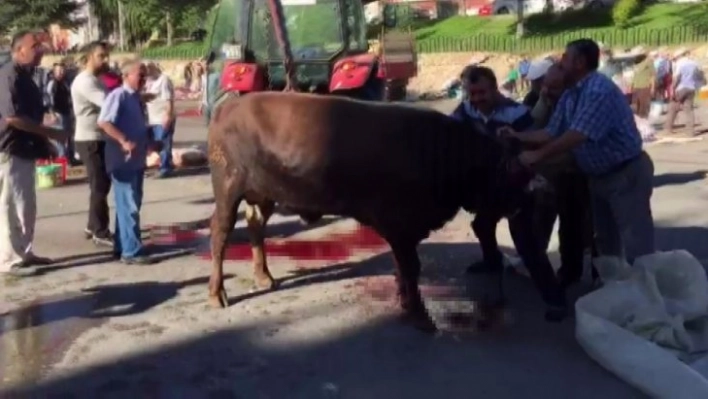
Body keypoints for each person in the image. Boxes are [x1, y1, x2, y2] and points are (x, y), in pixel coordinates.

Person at [504, 39, 655, 265]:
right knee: (606, 242)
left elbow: (577, 134)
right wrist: (517, 137)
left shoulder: (597, 90)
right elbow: (552, 131)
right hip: (598, 176)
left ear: (580, 62)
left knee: (636, 241)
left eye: (565, 57)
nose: (560, 61)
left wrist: (537, 156)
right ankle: (615, 289)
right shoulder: (572, 93)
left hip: (625, 174)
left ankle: (648, 293)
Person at [450, 65, 567, 321]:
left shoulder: (518, 114)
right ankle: (492, 263)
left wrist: (516, 144)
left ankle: (555, 299)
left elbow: (537, 146)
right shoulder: (466, 110)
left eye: (482, 92)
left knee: (526, 245)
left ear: (494, 88)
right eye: (472, 94)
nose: (477, 99)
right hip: (487, 185)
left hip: (518, 186)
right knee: (482, 224)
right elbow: (449, 131)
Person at [0, 31, 69, 277]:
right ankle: (9, 260)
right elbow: (13, 118)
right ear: (20, 50)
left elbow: (32, 115)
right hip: (10, 150)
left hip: (26, 150)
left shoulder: (28, 77)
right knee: (9, 206)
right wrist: (49, 134)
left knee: (26, 207)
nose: (41, 49)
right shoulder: (8, 75)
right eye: (34, 46)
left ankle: (25, 252)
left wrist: (44, 143)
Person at [529, 63, 596, 287]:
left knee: (594, 226)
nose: (545, 90)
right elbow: (536, 127)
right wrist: (542, 103)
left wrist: (538, 157)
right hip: (559, 173)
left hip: (585, 168)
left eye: (551, 87)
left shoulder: (580, 99)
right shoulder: (539, 99)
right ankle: (568, 271)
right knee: (567, 224)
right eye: (541, 86)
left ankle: (601, 274)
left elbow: (569, 139)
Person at [97, 60, 156, 265]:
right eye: (139, 75)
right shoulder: (118, 96)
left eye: (144, 76)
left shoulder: (135, 99)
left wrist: (149, 142)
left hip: (136, 161)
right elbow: (104, 122)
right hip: (122, 161)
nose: (143, 79)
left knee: (129, 204)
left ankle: (123, 245)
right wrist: (123, 140)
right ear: (126, 75)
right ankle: (131, 251)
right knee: (128, 204)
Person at [71, 41, 114, 247]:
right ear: (89, 57)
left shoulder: (97, 80)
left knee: (102, 184)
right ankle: (100, 231)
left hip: (98, 138)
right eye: (101, 56)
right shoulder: (85, 81)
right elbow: (109, 104)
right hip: (89, 139)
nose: (105, 60)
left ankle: (92, 224)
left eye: (106, 56)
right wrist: (135, 98)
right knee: (99, 185)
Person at [145, 61, 176, 178]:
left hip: (161, 117)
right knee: (154, 145)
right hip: (150, 119)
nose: (147, 72)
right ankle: (164, 164)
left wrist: (168, 115)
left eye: (149, 68)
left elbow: (169, 99)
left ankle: (165, 168)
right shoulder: (148, 81)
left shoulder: (163, 80)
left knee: (164, 143)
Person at [665, 48, 702, 136]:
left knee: (672, 107)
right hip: (691, 88)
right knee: (689, 110)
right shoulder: (694, 63)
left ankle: (668, 129)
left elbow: (677, 77)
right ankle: (690, 132)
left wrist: (672, 89)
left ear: (679, 56)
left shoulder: (679, 64)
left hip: (681, 88)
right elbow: (699, 76)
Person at [46, 62, 78, 164]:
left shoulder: (66, 83)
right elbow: (48, 100)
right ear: (54, 72)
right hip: (58, 113)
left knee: (69, 136)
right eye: (58, 71)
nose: (61, 72)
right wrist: (52, 114)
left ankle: (70, 158)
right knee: (59, 137)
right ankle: (62, 158)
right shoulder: (52, 84)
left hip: (67, 112)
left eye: (62, 70)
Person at [630, 48, 655, 119]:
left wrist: (653, 87)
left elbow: (652, 75)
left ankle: (643, 121)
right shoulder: (636, 62)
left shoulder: (649, 62)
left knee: (643, 106)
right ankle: (636, 121)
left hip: (644, 86)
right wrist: (631, 85)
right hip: (636, 86)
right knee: (635, 106)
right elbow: (634, 75)